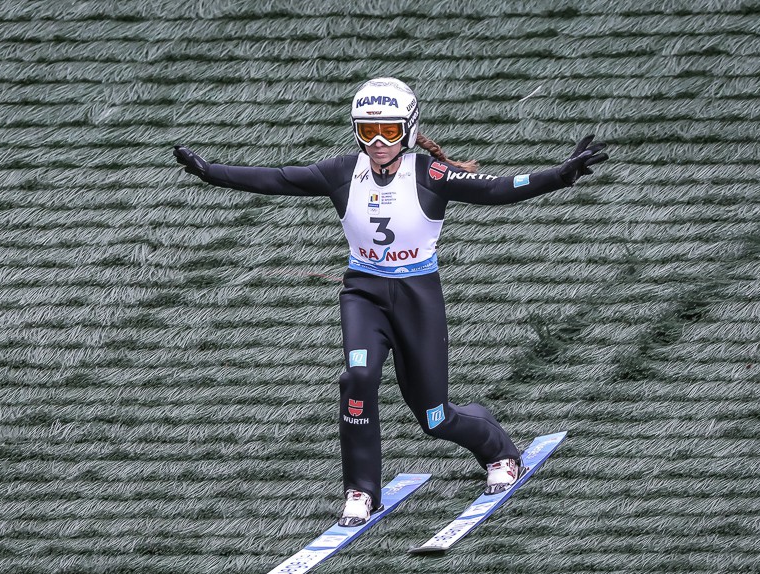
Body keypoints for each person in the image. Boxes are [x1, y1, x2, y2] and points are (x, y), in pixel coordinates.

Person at [173, 77, 607, 527]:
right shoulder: (342, 171)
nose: (378, 141)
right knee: (357, 378)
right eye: (368, 131)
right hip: (364, 293)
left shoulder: (429, 174)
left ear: (408, 129)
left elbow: (496, 188)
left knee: (434, 418)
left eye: (389, 131)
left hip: (417, 297)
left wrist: (560, 174)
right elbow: (277, 178)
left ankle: (498, 450)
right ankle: (361, 490)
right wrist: (211, 171)